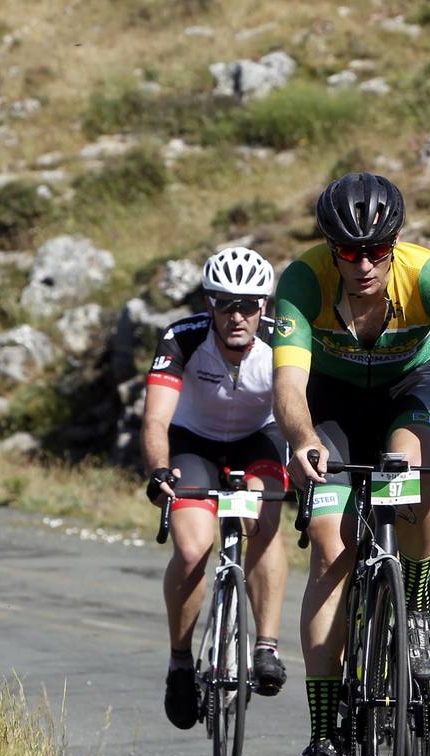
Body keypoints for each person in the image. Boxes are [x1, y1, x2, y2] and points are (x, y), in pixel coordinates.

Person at [272, 173, 430, 756]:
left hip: (407, 394)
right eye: (350, 252)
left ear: (395, 244)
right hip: (332, 405)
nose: (366, 263)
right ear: (331, 247)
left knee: (411, 476)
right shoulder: (301, 280)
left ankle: (422, 603)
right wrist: (302, 441)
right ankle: (323, 732)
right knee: (328, 545)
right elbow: (290, 387)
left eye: (378, 250)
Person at [141, 247, 291, 730]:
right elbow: (156, 418)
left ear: (264, 306)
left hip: (258, 440)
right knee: (191, 548)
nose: (237, 315)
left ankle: (265, 646)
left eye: (249, 304)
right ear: (210, 304)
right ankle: (180, 661)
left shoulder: (281, 340)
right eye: (225, 303)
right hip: (194, 443)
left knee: (263, 518)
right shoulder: (182, 338)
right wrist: (159, 469)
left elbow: (299, 409)